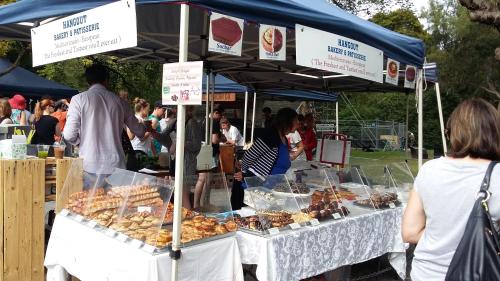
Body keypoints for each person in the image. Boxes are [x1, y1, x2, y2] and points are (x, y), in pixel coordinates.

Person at [402, 98, 500, 281]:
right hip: (480, 272)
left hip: (425, 273)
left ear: (453, 133)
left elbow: (410, 232)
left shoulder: (429, 170)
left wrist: (441, 238)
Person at [64, 64, 146, 174]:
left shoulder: (78, 99)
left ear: (88, 81)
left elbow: (69, 135)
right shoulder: (120, 102)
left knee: (92, 192)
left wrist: (80, 142)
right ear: (106, 80)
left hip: (90, 164)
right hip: (116, 165)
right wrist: (146, 126)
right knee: (115, 192)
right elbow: (140, 131)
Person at [232, 108, 299, 209]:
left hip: (270, 189)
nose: (298, 123)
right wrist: (246, 175)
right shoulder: (271, 135)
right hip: (256, 190)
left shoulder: (283, 138)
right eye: (296, 120)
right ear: (288, 121)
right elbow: (249, 156)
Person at [151, 105, 202, 208]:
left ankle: (187, 221)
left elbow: (196, 145)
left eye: (176, 107)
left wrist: (180, 143)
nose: (174, 110)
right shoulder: (174, 121)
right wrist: (152, 132)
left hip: (186, 164)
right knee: (178, 193)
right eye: (174, 107)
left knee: (183, 194)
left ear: (187, 109)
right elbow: (163, 138)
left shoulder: (192, 123)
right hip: (175, 161)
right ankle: (182, 219)